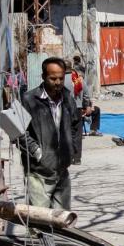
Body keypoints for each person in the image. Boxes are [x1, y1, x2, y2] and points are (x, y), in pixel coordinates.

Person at [17, 57, 79, 209]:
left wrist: (72, 151)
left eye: (61, 78)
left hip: (62, 168)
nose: (58, 82)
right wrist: (36, 151)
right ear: (43, 77)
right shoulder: (28, 99)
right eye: (53, 78)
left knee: (63, 219)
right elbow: (18, 130)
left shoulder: (67, 98)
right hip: (38, 173)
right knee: (39, 220)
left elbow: (75, 125)